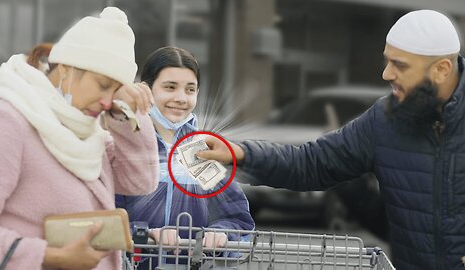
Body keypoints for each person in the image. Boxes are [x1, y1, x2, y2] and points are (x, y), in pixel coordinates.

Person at [196, 10, 465, 270]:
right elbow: (310, 163)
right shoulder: (383, 121)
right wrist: (242, 153)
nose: (387, 74)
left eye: (400, 65)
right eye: (388, 61)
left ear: (441, 70)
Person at [0, 7, 159, 270]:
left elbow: (141, 181)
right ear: (66, 68)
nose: (107, 101)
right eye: (103, 85)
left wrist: (128, 113)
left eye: (115, 91)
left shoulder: (87, 133)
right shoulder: (10, 120)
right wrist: (50, 256)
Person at [115, 46, 255, 268]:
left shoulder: (202, 152)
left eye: (190, 90)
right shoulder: (125, 144)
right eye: (170, 87)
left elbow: (237, 219)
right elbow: (102, 215)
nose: (181, 98)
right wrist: (145, 233)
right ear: (146, 89)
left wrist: (221, 234)